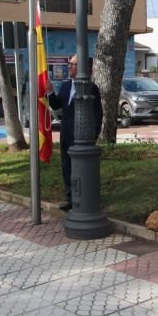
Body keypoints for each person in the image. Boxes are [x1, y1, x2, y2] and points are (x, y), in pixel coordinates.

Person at [47, 54, 103, 211]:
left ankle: (85, 199)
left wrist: (93, 135)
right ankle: (71, 199)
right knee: (67, 169)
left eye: (73, 64)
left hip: (82, 138)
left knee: (81, 170)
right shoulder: (65, 86)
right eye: (69, 64)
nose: (69, 67)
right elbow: (57, 105)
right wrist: (51, 93)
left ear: (84, 68)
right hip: (66, 135)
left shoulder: (91, 88)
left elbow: (97, 113)